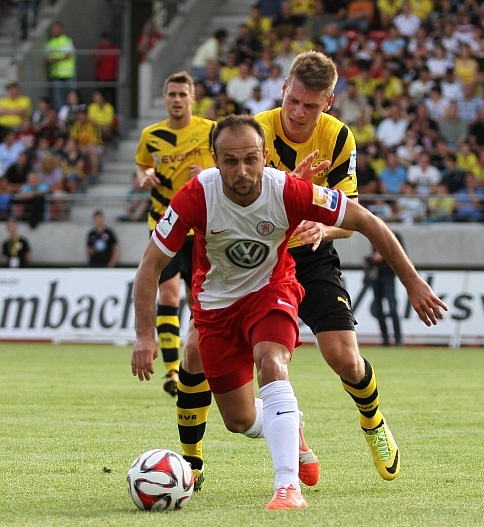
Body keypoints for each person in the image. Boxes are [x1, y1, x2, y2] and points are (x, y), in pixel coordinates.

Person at [131, 115, 447, 509]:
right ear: (215, 159)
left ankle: (287, 487)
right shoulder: (195, 196)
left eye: (250, 159)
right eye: (230, 161)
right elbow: (150, 266)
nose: (242, 171)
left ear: (264, 156)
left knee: (273, 361)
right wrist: (144, 336)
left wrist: (413, 282)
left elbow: (367, 221)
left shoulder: (287, 190)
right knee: (238, 421)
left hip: (271, 290)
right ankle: (288, 423)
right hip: (217, 308)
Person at [175, 51, 431, 490]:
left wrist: (321, 226)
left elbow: (351, 220)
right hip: (254, 256)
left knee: (344, 358)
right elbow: (239, 192)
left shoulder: (338, 138)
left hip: (310, 254)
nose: (298, 112)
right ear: (283, 90)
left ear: (327, 102)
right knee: (195, 350)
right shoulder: (255, 132)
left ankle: (372, 419)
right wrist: (293, 185)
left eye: (310, 106)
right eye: (293, 101)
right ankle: (193, 462)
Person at [134, 71, 214, 489]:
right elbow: (142, 167)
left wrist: (209, 169)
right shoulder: (151, 136)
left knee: (196, 299)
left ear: (193, 98)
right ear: (165, 99)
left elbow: (231, 166)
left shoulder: (211, 131)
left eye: (183, 93)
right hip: (164, 224)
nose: (177, 99)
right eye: (172, 94)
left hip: (200, 225)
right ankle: (171, 371)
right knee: (167, 293)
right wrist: (144, 177)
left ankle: (193, 364)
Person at [365, 231, 404, 347]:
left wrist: (383, 255)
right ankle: (385, 339)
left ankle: (398, 339)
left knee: (392, 307)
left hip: (388, 274)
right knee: (378, 309)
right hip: (377, 276)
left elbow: (401, 254)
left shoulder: (394, 235)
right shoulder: (374, 234)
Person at [45, 21, 76, 113]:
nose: (54, 31)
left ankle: (73, 113)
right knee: (58, 98)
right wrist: (60, 58)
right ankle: (61, 115)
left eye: (56, 29)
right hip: (57, 74)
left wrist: (55, 59)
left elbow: (68, 56)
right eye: (53, 29)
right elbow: (48, 59)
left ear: (61, 29)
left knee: (72, 96)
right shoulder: (50, 43)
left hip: (68, 74)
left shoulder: (67, 41)